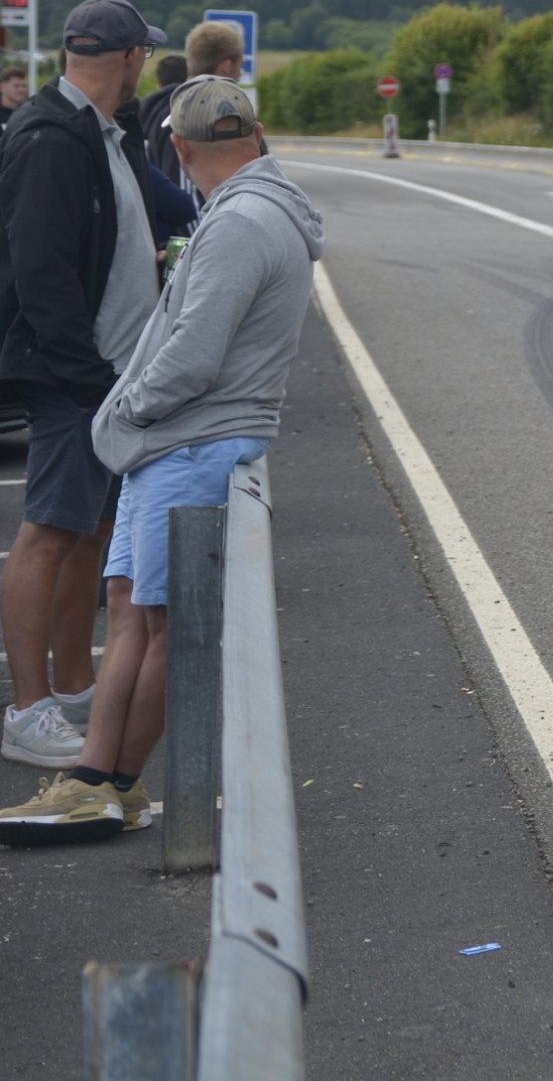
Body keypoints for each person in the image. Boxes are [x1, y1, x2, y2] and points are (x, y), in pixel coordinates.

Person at [0, 79, 321, 841]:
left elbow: (193, 357)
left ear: (176, 146)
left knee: (154, 623)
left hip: (188, 440)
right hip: (185, 441)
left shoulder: (242, 221)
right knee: (136, 612)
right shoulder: (255, 210)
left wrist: (122, 409)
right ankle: (102, 781)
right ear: (260, 133)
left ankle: (102, 783)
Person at [0, 0, 166, 769]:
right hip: (76, 376)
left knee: (90, 534)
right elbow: (40, 271)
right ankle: (28, 707)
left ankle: (72, 686)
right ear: (132, 59)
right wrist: (86, 377)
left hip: (107, 377)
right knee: (49, 534)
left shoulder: (104, 133)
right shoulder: (50, 138)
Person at [143, 22, 242, 188]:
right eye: (239, 65)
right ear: (226, 66)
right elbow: (184, 190)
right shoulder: (190, 113)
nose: (240, 74)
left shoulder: (170, 107)